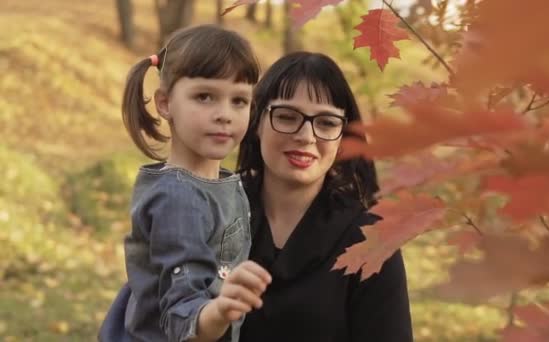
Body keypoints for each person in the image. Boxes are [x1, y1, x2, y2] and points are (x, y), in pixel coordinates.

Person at [98, 24, 271, 342]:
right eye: (205, 97)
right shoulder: (179, 197)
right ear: (165, 104)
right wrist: (220, 310)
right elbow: (182, 312)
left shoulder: (220, 185)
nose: (224, 114)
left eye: (239, 101)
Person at [236, 51, 414, 341]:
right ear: (255, 121)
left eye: (327, 123)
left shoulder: (371, 239)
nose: (306, 136)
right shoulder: (213, 210)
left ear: (344, 138)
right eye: (286, 116)